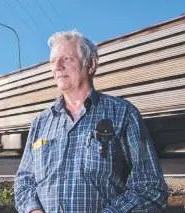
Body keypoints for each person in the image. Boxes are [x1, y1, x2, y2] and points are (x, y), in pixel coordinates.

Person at [14, 29, 169, 213]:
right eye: (53, 61)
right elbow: (24, 182)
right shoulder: (40, 123)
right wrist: (33, 210)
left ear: (91, 64)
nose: (57, 66)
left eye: (67, 59)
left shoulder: (122, 113)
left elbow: (151, 187)